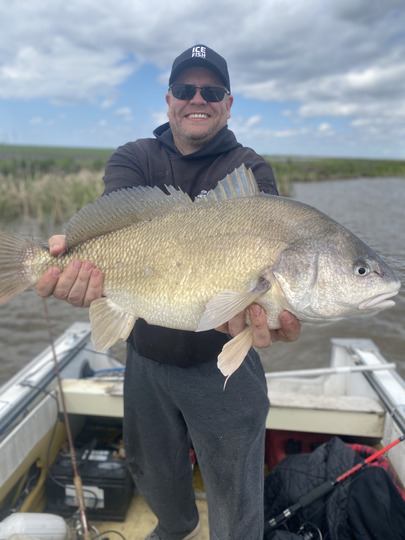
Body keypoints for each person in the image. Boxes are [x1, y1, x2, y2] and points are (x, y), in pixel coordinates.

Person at [36, 45, 300, 540]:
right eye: (185, 89)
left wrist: (274, 307)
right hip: (145, 357)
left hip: (223, 363)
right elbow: (110, 222)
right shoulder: (134, 157)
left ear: (227, 103)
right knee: (151, 468)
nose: (196, 99)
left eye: (211, 90)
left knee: (236, 488)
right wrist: (76, 271)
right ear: (169, 100)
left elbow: (265, 265)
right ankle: (174, 527)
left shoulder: (250, 170)